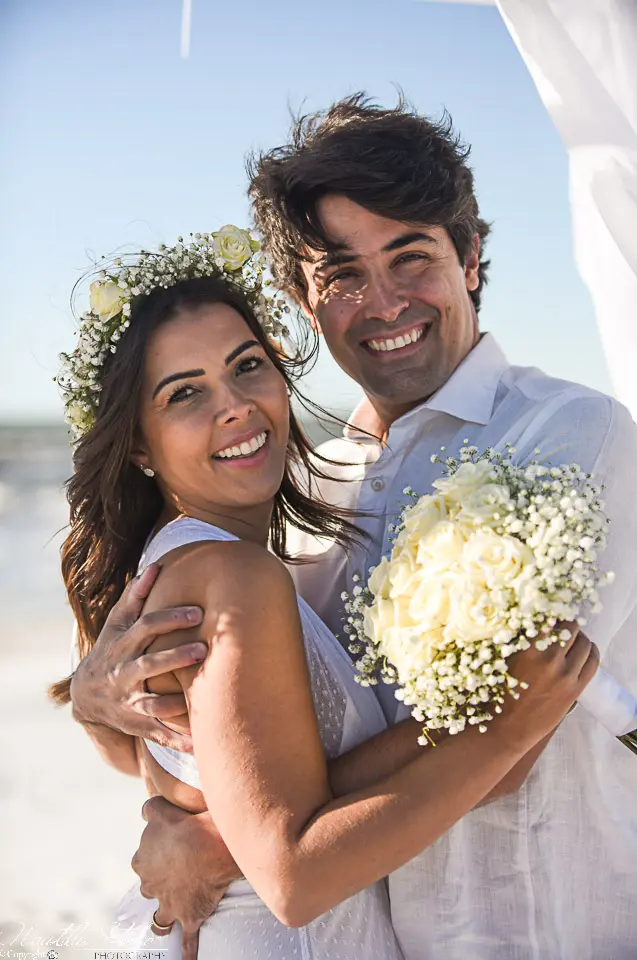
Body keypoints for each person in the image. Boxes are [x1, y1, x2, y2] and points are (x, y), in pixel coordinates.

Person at [68, 97, 637, 959]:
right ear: (302, 297)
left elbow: (512, 732)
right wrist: (100, 708)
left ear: (470, 257)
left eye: (411, 257)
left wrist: (231, 838)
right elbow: (233, 738)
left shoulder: (572, 437)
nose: (383, 302)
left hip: (541, 928)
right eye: (340, 275)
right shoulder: (304, 487)